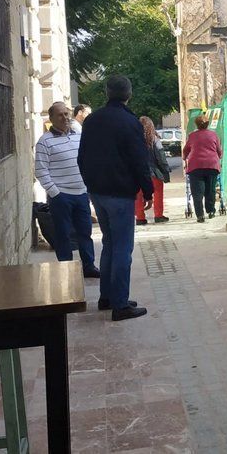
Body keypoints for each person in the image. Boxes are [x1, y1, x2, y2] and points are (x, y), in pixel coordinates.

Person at [77, 76, 152, 321]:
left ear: (107, 93)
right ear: (128, 93)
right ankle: (120, 304)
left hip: (97, 192)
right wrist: (147, 190)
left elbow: (82, 157)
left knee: (109, 244)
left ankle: (107, 297)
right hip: (120, 193)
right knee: (122, 248)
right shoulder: (129, 122)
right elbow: (139, 159)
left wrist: (91, 184)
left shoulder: (91, 120)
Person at [34, 102, 100, 278]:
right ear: (52, 118)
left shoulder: (79, 136)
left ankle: (89, 266)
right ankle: (66, 269)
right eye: (60, 115)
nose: (65, 118)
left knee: (85, 233)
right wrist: (56, 193)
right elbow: (41, 171)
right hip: (61, 196)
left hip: (81, 193)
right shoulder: (44, 141)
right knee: (63, 235)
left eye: (66, 113)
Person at [182, 115, 222, 223]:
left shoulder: (192, 136)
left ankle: (200, 215)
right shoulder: (214, 135)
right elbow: (219, 151)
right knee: (210, 190)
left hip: (195, 167)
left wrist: (184, 158)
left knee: (197, 192)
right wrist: (218, 156)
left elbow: (185, 150)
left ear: (196, 124)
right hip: (212, 165)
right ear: (207, 124)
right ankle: (211, 211)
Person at [135, 116, 171, 225]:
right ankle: (158, 215)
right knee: (158, 193)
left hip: (138, 172)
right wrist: (165, 170)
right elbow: (161, 156)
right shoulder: (154, 139)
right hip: (154, 172)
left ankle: (140, 217)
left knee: (138, 195)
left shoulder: (134, 139)